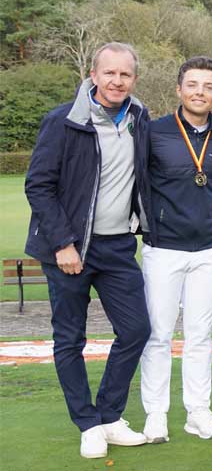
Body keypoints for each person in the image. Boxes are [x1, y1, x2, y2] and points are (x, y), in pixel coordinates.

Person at [24, 42, 152, 459]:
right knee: (70, 339)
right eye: (110, 73)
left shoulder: (139, 117)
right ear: (93, 75)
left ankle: (110, 415)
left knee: (136, 330)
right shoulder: (62, 121)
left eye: (125, 75)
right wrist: (63, 243)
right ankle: (87, 423)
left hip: (117, 246)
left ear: (134, 78)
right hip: (69, 249)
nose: (118, 81)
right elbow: (38, 186)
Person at [139, 57, 212, 442]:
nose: (199, 92)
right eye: (192, 85)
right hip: (163, 248)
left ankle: (198, 411)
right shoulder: (154, 131)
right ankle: (156, 414)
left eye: (208, 86)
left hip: (208, 248)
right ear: (179, 89)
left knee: (199, 335)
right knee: (159, 334)